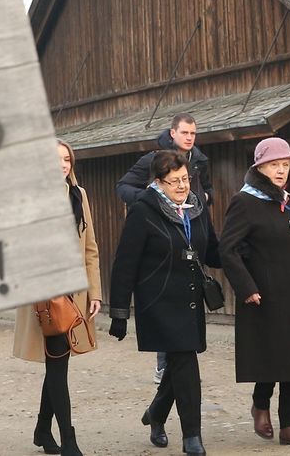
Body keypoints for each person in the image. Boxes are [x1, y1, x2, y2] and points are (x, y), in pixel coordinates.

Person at [109, 150, 221, 455]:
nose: (183, 186)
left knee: (178, 363)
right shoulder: (143, 210)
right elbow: (125, 263)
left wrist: (244, 254)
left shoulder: (196, 208)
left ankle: (156, 414)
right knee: (186, 362)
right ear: (159, 182)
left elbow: (211, 251)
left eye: (185, 179)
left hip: (190, 299)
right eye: (174, 182)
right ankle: (192, 437)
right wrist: (119, 312)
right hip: (158, 301)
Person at [220, 138, 290, 448]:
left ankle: (289, 424)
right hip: (267, 293)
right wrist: (247, 287)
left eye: (285, 164)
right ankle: (260, 403)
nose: (281, 170)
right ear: (260, 168)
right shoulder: (245, 201)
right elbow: (228, 249)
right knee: (272, 356)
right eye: (274, 165)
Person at [13, 140, 102, 456]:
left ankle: (42, 428)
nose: (63, 164)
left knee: (57, 363)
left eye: (67, 159)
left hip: (75, 294)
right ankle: (69, 440)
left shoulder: (79, 195)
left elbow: (90, 247)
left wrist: (95, 292)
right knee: (58, 362)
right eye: (56, 159)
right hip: (46, 296)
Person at [116, 113, 213, 386]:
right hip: (159, 237)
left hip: (190, 231)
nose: (190, 138)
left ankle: (168, 390)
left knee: (187, 302)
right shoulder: (151, 160)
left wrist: (205, 198)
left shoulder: (199, 160)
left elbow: (207, 189)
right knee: (167, 301)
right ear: (172, 133)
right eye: (185, 133)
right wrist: (149, 202)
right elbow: (122, 186)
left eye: (193, 133)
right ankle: (164, 367)